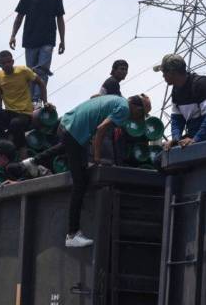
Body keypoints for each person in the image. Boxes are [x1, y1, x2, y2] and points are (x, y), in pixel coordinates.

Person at [19, 94, 151, 247]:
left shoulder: (117, 100)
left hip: (68, 124)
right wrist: (97, 158)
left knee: (67, 146)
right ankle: (72, 234)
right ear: (136, 106)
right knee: (80, 182)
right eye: (141, 114)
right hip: (74, 131)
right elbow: (101, 130)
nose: (138, 118)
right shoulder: (124, 109)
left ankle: (32, 161)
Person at [9, 0, 66, 104]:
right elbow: (19, 17)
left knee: (42, 70)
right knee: (31, 71)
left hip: (47, 39)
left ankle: (37, 99)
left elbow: (60, 19)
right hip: (30, 39)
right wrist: (13, 35)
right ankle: (29, 99)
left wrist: (62, 40)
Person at [154, 54, 206, 150]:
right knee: (159, 158)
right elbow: (177, 119)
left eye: (164, 72)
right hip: (193, 138)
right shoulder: (176, 90)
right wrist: (176, 139)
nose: (163, 76)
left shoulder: (200, 84)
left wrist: (196, 140)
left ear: (173, 72)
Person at [0, 50, 48, 156]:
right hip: (9, 112)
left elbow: (40, 83)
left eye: (8, 62)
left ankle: (21, 149)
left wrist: (45, 102)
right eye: (4, 63)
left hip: (24, 114)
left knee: (15, 123)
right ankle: (4, 139)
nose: (7, 65)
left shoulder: (23, 71)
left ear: (12, 61)